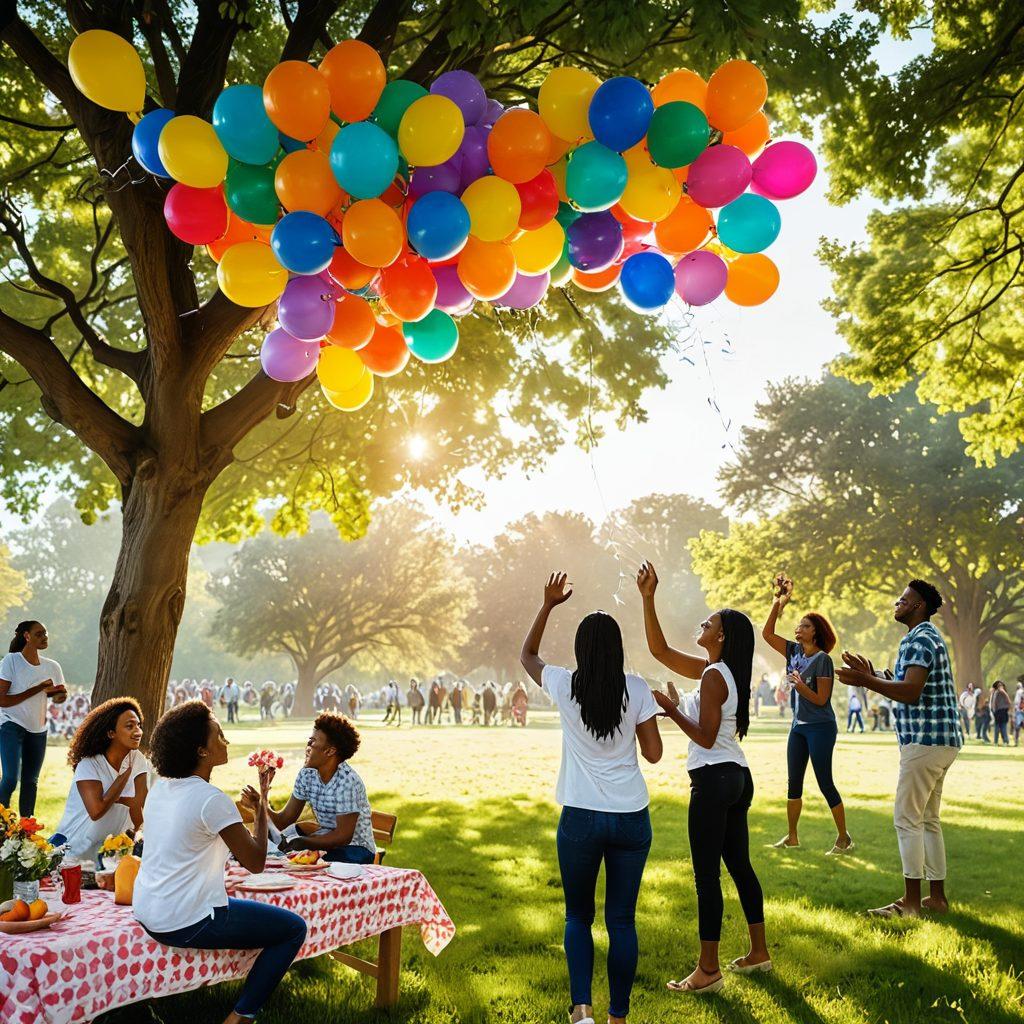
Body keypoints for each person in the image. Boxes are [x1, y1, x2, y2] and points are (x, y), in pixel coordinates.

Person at [521, 572, 662, 1024]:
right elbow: (655, 754)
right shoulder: (637, 689)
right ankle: (618, 1017)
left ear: (582, 649)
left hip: (580, 818)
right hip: (630, 818)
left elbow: (527, 655)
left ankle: (582, 1009)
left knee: (578, 916)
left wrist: (547, 605)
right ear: (618, 648)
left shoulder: (563, 684)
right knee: (622, 921)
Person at [637, 561, 769, 993]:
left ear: (722, 636)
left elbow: (707, 739)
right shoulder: (717, 670)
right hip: (736, 777)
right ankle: (759, 953)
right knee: (740, 867)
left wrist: (672, 710)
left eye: (708, 623)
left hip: (714, 778)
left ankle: (708, 971)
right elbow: (660, 652)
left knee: (706, 876)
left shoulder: (714, 675)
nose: (702, 623)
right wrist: (647, 598)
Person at [134, 701, 307, 1024]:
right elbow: (256, 861)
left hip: (146, 908)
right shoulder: (212, 800)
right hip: (186, 919)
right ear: (201, 750)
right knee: (294, 928)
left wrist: (261, 802)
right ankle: (240, 1016)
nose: (226, 741)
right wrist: (260, 810)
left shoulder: (161, 788)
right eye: (220, 735)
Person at [838, 579, 962, 917]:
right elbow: (905, 682)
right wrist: (874, 675)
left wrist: (866, 681)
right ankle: (936, 898)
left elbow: (910, 692)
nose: (898, 602)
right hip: (944, 741)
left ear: (919, 605)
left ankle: (909, 904)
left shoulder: (919, 638)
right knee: (928, 820)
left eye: (904, 599)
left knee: (906, 819)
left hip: (924, 741)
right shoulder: (928, 637)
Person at [761, 576, 851, 855]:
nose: (798, 628)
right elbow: (766, 634)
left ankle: (843, 838)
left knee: (825, 781)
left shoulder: (823, 659)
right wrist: (780, 601)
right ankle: (792, 836)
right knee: (793, 781)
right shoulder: (794, 651)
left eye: (805, 625)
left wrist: (800, 685)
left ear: (816, 632)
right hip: (798, 726)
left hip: (821, 727)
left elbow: (822, 699)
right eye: (799, 624)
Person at [268, 713, 376, 864]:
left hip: (356, 849)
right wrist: (261, 799)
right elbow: (283, 820)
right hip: (325, 842)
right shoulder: (307, 774)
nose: (307, 747)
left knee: (303, 864)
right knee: (281, 856)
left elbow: (343, 836)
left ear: (330, 751)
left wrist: (306, 842)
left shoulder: (346, 781)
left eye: (312, 742)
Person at [52, 697, 149, 864]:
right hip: (72, 852)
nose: (138, 731)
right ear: (111, 733)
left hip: (108, 857)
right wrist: (125, 775)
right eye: (129, 726)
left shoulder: (138, 759)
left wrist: (134, 834)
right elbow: (96, 811)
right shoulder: (89, 764)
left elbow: (138, 811)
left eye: (139, 725)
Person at [0, 620, 68, 816]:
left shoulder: (53, 667)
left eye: (45, 633)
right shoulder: (11, 661)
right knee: (11, 778)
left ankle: (25, 832)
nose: (44, 637)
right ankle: (2, 826)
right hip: (10, 725)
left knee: (31, 781)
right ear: (27, 636)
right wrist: (38, 688)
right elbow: (2, 701)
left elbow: (57, 697)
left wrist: (59, 695)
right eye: (39, 634)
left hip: (37, 730)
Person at [990, 681, 1011, 746]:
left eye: (1001, 685)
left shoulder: (1004, 693)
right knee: (997, 728)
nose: (1000, 687)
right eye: (999, 686)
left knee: (1003, 727)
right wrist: (994, 711)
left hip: (1004, 711)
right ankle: (996, 742)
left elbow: (1009, 702)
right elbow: (993, 702)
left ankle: (1005, 741)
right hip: (998, 712)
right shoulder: (996, 692)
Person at [1014, 679, 1024, 747]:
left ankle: (1016, 742)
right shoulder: (1020, 692)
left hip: (1019, 711)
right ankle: (1016, 742)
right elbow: (1017, 702)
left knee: (1018, 727)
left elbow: (1016, 702)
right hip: (1020, 711)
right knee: (1018, 727)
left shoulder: (1019, 692)